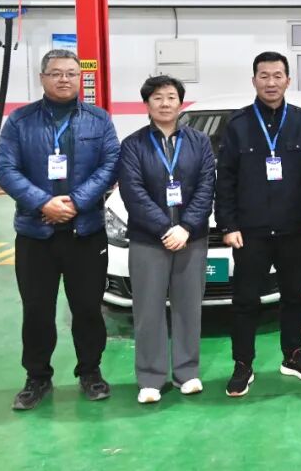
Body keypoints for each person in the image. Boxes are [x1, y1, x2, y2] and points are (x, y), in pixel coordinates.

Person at [0, 48, 121, 411]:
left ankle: (90, 372)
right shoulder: (20, 121)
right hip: (35, 234)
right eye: (56, 73)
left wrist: (75, 203)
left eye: (70, 73)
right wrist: (43, 203)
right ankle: (37, 377)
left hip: (86, 232)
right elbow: (6, 169)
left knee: (87, 308)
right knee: (37, 310)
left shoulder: (99, 120)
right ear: (42, 78)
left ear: (80, 78)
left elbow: (110, 165)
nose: (64, 79)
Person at [215, 51, 301, 398]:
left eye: (277, 76)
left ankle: (293, 356)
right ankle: (242, 364)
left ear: (288, 80)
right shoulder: (238, 124)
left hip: (294, 230)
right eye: (264, 76)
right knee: (245, 301)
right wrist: (228, 224)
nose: (271, 82)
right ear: (254, 80)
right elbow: (225, 179)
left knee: (294, 297)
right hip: (250, 232)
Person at [118, 75, 216, 403]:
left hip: (191, 238)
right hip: (148, 240)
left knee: (189, 308)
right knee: (148, 309)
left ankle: (187, 373)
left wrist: (186, 227)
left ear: (180, 102)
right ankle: (150, 378)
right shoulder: (133, 145)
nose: (164, 103)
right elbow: (133, 192)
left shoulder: (199, 142)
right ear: (147, 104)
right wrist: (164, 228)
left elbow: (206, 187)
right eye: (157, 98)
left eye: (171, 97)